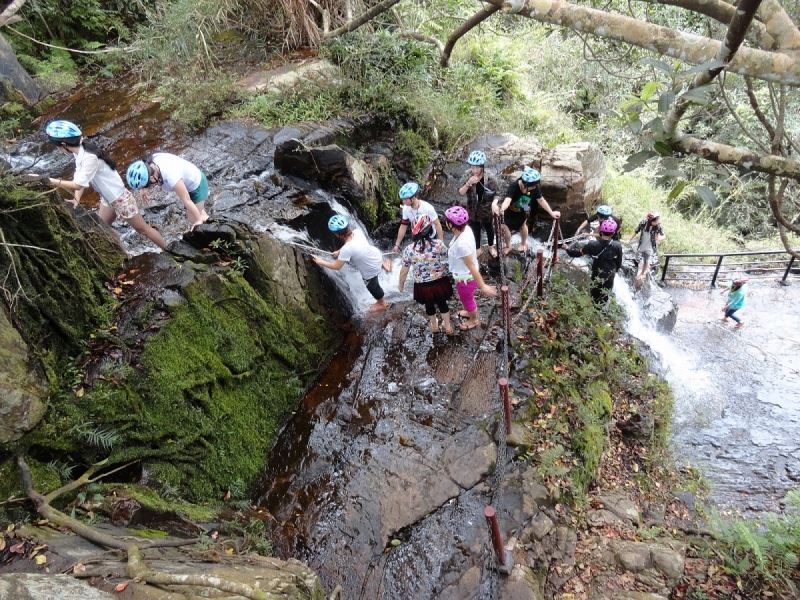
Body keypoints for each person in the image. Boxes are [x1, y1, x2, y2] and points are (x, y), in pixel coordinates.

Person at [28, 120, 168, 251]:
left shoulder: (89, 157)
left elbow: (77, 184)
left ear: (64, 144)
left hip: (120, 198)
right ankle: (125, 254)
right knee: (103, 228)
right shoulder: (80, 153)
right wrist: (76, 199)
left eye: (57, 145)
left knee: (143, 229)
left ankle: (169, 250)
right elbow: (81, 178)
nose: (58, 148)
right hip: (108, 199)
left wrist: (44, 179)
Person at [312, 215, 393, 312]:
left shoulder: (347, 249)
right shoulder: (357, 232)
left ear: (337, 234)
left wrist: (320, 261)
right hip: (376, 256)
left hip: (370, 270)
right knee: (374, 260)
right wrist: (338, 252)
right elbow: (351, 246)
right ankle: (386, 267)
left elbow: (336, 266)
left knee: (373, 287)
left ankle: (382, 303)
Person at [398, 215, 454, 334]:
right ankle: (448, 326)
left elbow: (404, 270)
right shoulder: (438, 244)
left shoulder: (409, 249)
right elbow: (449, 255)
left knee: (429, 305)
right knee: (442, 303)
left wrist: (401, 285)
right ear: (430, 230)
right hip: (439, 281)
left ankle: (434, 326)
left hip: (422, 285)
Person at [444, 206, 497, 330]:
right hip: (464, 275)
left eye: (446, 221)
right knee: (467, 298)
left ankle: (474, 320)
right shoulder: (466, 229)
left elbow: (472, 267)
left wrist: (483, 286)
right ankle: (469, 312)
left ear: (450, 225)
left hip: (466, 278)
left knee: (468, 300)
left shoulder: (461, 245)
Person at [126, 153, 209, 231]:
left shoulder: (171, 176)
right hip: (187, 181)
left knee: (193, 218)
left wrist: (198, 220)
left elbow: (186, 200)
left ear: (151, 177)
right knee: (197, 212)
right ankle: (205, 216)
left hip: (197, 185)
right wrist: (142, 190)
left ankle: (213, 224)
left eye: (148, 185)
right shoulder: (149, 163)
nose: (150, 188)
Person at [492, 167, 560, 255]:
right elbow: (508, 200)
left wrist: (551, 213)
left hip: (524, 207)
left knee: (522, 225)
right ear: (526, 184)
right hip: (510, 209)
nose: (535, 187)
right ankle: (508, 246)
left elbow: (541, 200)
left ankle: (524, 243)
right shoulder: (514, 186)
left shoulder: (534, 188)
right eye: (533, 186)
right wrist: (502, 209)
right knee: (504, 227)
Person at [562, 218, 623, 307]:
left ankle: (594, 309)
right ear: (613, 233)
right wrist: (616, 269)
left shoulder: (592, 245)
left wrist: (567, 248)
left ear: (601, 231)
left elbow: (577, 253)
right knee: (605, 295)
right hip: (610, 274)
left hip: (596, 273)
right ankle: (602, 311)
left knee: (595, 293)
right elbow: (619, 261)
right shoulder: (617, 246)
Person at [457, 150, 499, 258]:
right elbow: (461, 192)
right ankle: (478, 248)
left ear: (482, 166)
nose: (474, 170)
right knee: (475, 230)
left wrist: (494, 203)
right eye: (472, 167)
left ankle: (491, 246)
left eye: (477, 167)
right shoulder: (467, 175)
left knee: (489, 229)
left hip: (486, 210)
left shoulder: (490, 178)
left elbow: (497, 193)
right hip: (472, 210)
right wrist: (468, 183)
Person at [392, 182, 443, 254]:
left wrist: (441, 243)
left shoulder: (428, 208)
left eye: (405, 199)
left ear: (413, 198)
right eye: (403, 199)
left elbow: (437, 224)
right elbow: (403, 226)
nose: (403, 202)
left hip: (430, 236)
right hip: (416, 236)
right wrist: (397, 245)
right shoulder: (406, 208)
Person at [628, 212, 666, 283]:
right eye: (655, 221)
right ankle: (644, 267)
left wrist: (659, 238)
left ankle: (642, 274)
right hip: (642, 244)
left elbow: (664, 235)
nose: (657, 222)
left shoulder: (659, 226)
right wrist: (629, 239)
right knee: (638, 258)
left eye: (657, 221)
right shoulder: (643, 223)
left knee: (646, 259)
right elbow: (636, 231)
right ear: (650, 221)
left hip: (650, 246)